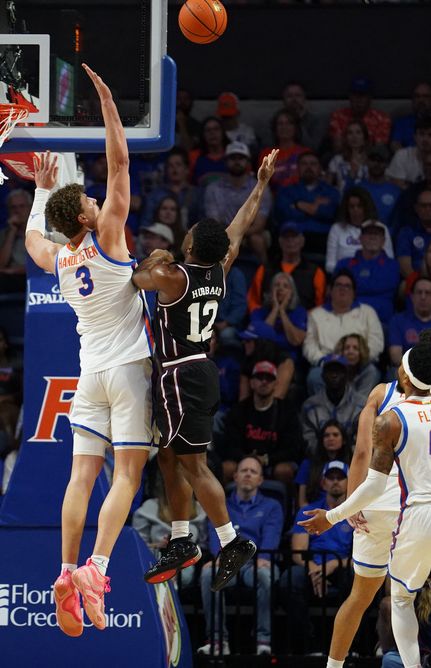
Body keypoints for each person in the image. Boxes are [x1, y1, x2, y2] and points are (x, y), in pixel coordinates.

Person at [22, 65, 166, 636]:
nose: (94, 195)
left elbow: (35, 238)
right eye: (87, 197)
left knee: (80, 477)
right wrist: (108, 102)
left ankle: (62, 570)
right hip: (128, 370)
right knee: (127, 476)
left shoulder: (60, 260)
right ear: (86, 216)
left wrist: (39, 188)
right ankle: (96, 570)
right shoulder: (108, 236)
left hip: (88, 375)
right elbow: (121, 163)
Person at [131, 149, 278, 599]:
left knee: (193, 463)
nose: (187, 232)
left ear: (189, 246)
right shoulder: (220, 265)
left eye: (188, 233)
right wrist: (260, 184)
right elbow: (241, 222)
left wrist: (155, 256)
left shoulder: (174, 277)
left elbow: (139, 279)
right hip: (196, 371)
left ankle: (231, 541)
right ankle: (180, 539)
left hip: (180, 373)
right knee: (168, 457)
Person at [299, 331, 431, 668]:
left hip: (380, 507)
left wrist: (350, 508)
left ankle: (334, 666)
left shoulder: (381, 394)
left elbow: (360, 453)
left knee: (361, 598)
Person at [197, 456, 282, 657]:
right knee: (210, 575)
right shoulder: (220, 503)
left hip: (256, 561)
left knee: (264, 575)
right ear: (235, 477)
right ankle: (218, 640)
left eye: (253, 472)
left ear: (261, 480)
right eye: (243, 470)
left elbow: (271, 534)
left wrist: (263, 558)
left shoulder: (272, 506)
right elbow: (214, 532)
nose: (247, 474)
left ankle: (263, 640)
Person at [280, 459, 354, 655]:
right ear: (323, 483)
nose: (336, 481)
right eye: (331, 477)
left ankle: (346, 643)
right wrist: (314, 568)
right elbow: (298, 550)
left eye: (340, 477)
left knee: (356, 576)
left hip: (342, 566)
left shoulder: (356, 513)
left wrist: (331, 566)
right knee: (291, 578)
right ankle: (307, 640)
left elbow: (361, 555)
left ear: (349, 482)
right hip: (312, 566)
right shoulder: (308, 511)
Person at [218, 360, 302, 485]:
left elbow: (292, 448)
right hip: (243, 460)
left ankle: (289, 504)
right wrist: (248, 460)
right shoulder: (238, 410)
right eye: (259, 378)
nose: (264, 382)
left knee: (284, 470)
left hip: (273, 463)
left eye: (269, 379)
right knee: (226, 468)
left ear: (275, 384)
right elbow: (230, 446)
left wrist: (266, 460)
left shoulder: (287, 412)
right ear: (252, 383)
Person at [203, 141, 272, 261]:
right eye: (232, 158)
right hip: (223, 234)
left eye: (241, 158)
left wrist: (237, 234)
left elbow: (259, 225)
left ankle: (265, 272)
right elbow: (215, 223)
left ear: (248, 162)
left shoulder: (260, 187)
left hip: (251, 233)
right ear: (226, 162)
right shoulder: (213, 188)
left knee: (257, 240)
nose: (237, 162)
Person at [247, 220, 325, 312]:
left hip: (302, 323)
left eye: (294, 236)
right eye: (286, 237)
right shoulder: (264, 270)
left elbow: (321, 306)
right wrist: (261, 318)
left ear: (302, 241)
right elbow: (253, 301)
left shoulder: (315, 272)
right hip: (269, 320)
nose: (290, 240)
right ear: (280, 242)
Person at [274, 151, 340, 253]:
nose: (308, 167)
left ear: (320, 169)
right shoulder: (286, 191)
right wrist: (315, 207)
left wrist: (298, 204)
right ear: (297, 169)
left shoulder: (332, 192)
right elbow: (286, 215)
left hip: (323, 238)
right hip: (293, 236)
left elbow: (330, 214)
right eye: (304, 164)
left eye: (313, 164)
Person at [334, 220, 399, 320]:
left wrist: (350, 286)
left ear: (383, 241)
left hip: (380, 320)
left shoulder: (393, 265)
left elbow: (380, 287)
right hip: (346, 318)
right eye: (368, 233)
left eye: (376, 234)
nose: (372, 237)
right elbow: (336, 291)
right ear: (360, 239)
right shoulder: (343, 264)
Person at [299, 355, 368, 450]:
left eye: (338, 371)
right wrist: (327, 456)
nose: (334, 375)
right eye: (330, 371)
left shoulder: (362, 405)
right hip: (319, 460)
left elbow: (363, 441)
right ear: (323, 376)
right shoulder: (309, 406)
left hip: (352, 460)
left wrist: (344, 457)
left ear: (347, 375)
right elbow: (309, 440)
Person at [387, 276, 431, 366]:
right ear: (412, 297)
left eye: (428, 293)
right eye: (419, 292)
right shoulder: (397, 320)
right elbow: (395, 356)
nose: (423, 297)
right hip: (407, 369)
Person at [325, 187, 395, 274]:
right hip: (345, 278)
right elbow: (329, 265)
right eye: (351, 207)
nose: (355, 210)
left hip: (374, 278)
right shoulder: (337, 229)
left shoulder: (381, 228)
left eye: (359, 206)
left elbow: (390, 261)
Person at [385, 116, 431, 189]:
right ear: (415, 136)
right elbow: (399, 185)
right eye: (421, 134)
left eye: (430, 135)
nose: (425, 139)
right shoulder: (402, 155)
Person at [296, 420, 353, 509]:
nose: (330, 438)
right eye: (326, 435)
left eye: (335, 435)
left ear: (344, 440)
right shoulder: (307, 465)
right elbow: (302, 503)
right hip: (314, 512)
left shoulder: (354, 465)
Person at [328, 77, 391, 152]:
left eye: (362, 96)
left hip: (371, 158)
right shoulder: (338, 115)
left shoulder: (382, 118)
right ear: (350, 97)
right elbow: (337, 146)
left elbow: (379, 148)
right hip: (344, 156)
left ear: (370, 98)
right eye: (355, 95)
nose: (358, 100)